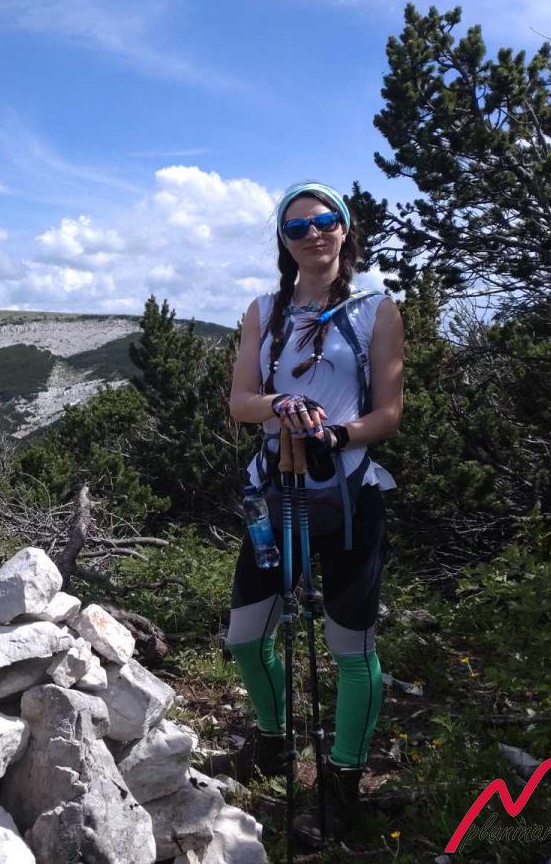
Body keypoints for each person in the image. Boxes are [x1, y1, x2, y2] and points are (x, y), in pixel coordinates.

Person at [226, 180, 404, 846]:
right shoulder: (264, 312)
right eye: (297, 227)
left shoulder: (376, 310)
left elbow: (389, 413)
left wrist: (339, 434)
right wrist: (279, 405)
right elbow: (241, 401)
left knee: (351, 649)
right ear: (284, 240)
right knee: (247, 638)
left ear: (344, 228)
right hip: (278, 492)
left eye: (325, 220)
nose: (314, 234)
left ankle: (343, 781)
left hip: (350, 494)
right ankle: (273, 742)